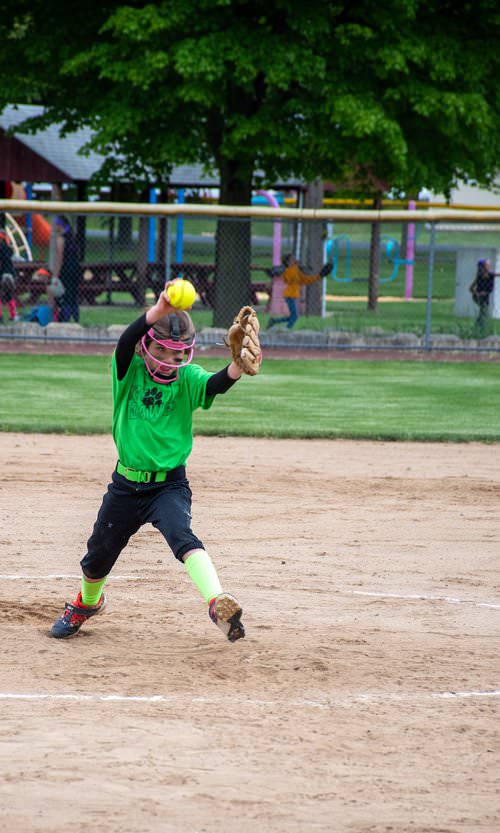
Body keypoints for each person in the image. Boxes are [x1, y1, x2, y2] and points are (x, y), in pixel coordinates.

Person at [50, 286, 261, 642]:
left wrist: (237, 366)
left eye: (178, 354)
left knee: (182, 536)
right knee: (98, 554)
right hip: (126, 485)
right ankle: (87, 602)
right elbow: (125, 340)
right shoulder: (128, 371)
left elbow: (216, 384)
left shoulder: (187, 378)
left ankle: (216, 601)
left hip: (168, 485)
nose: (169, 359)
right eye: (162, 349)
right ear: (146, 345)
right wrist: (159, 309)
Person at [267, 253, 331, 329]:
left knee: (293, 316)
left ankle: (274, 321)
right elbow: (289, 279)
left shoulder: (296, 270)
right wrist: (296, 267)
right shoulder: (286, 271)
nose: (295, 260)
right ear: (288, 262)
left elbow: (305, 279)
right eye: (292, 259)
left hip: (293, 295)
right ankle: (288, 328)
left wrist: (319, 276)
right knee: (295, 316)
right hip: (289, 295)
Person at [53, 215, 82, 322]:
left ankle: (65, 319)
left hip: (67, 269)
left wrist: (55, 275)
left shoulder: (61, 238)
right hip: (76, 268)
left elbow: (60, 257)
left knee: (65, 296)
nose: (54, 226)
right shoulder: (72, 236)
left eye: (55, 224)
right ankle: (76, 319)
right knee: (73, 296)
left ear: (60, 225)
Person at [469, 258, 500, 331]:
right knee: (484, 310)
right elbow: (471, 288)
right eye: (487, 265)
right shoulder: (479, 276)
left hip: (485, 296)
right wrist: (477, 293)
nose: (489, 267)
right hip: (479, 296)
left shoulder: (490, 274)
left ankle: (479, 325)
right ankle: (480, 325)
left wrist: (485, 293)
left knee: (483, 311)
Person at [0, 230, 19, 324]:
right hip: (11, 275)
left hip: (2, 275)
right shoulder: (8, 249)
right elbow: (14, 258)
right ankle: (13, 315)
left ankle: (0, 316)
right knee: (10, 296)